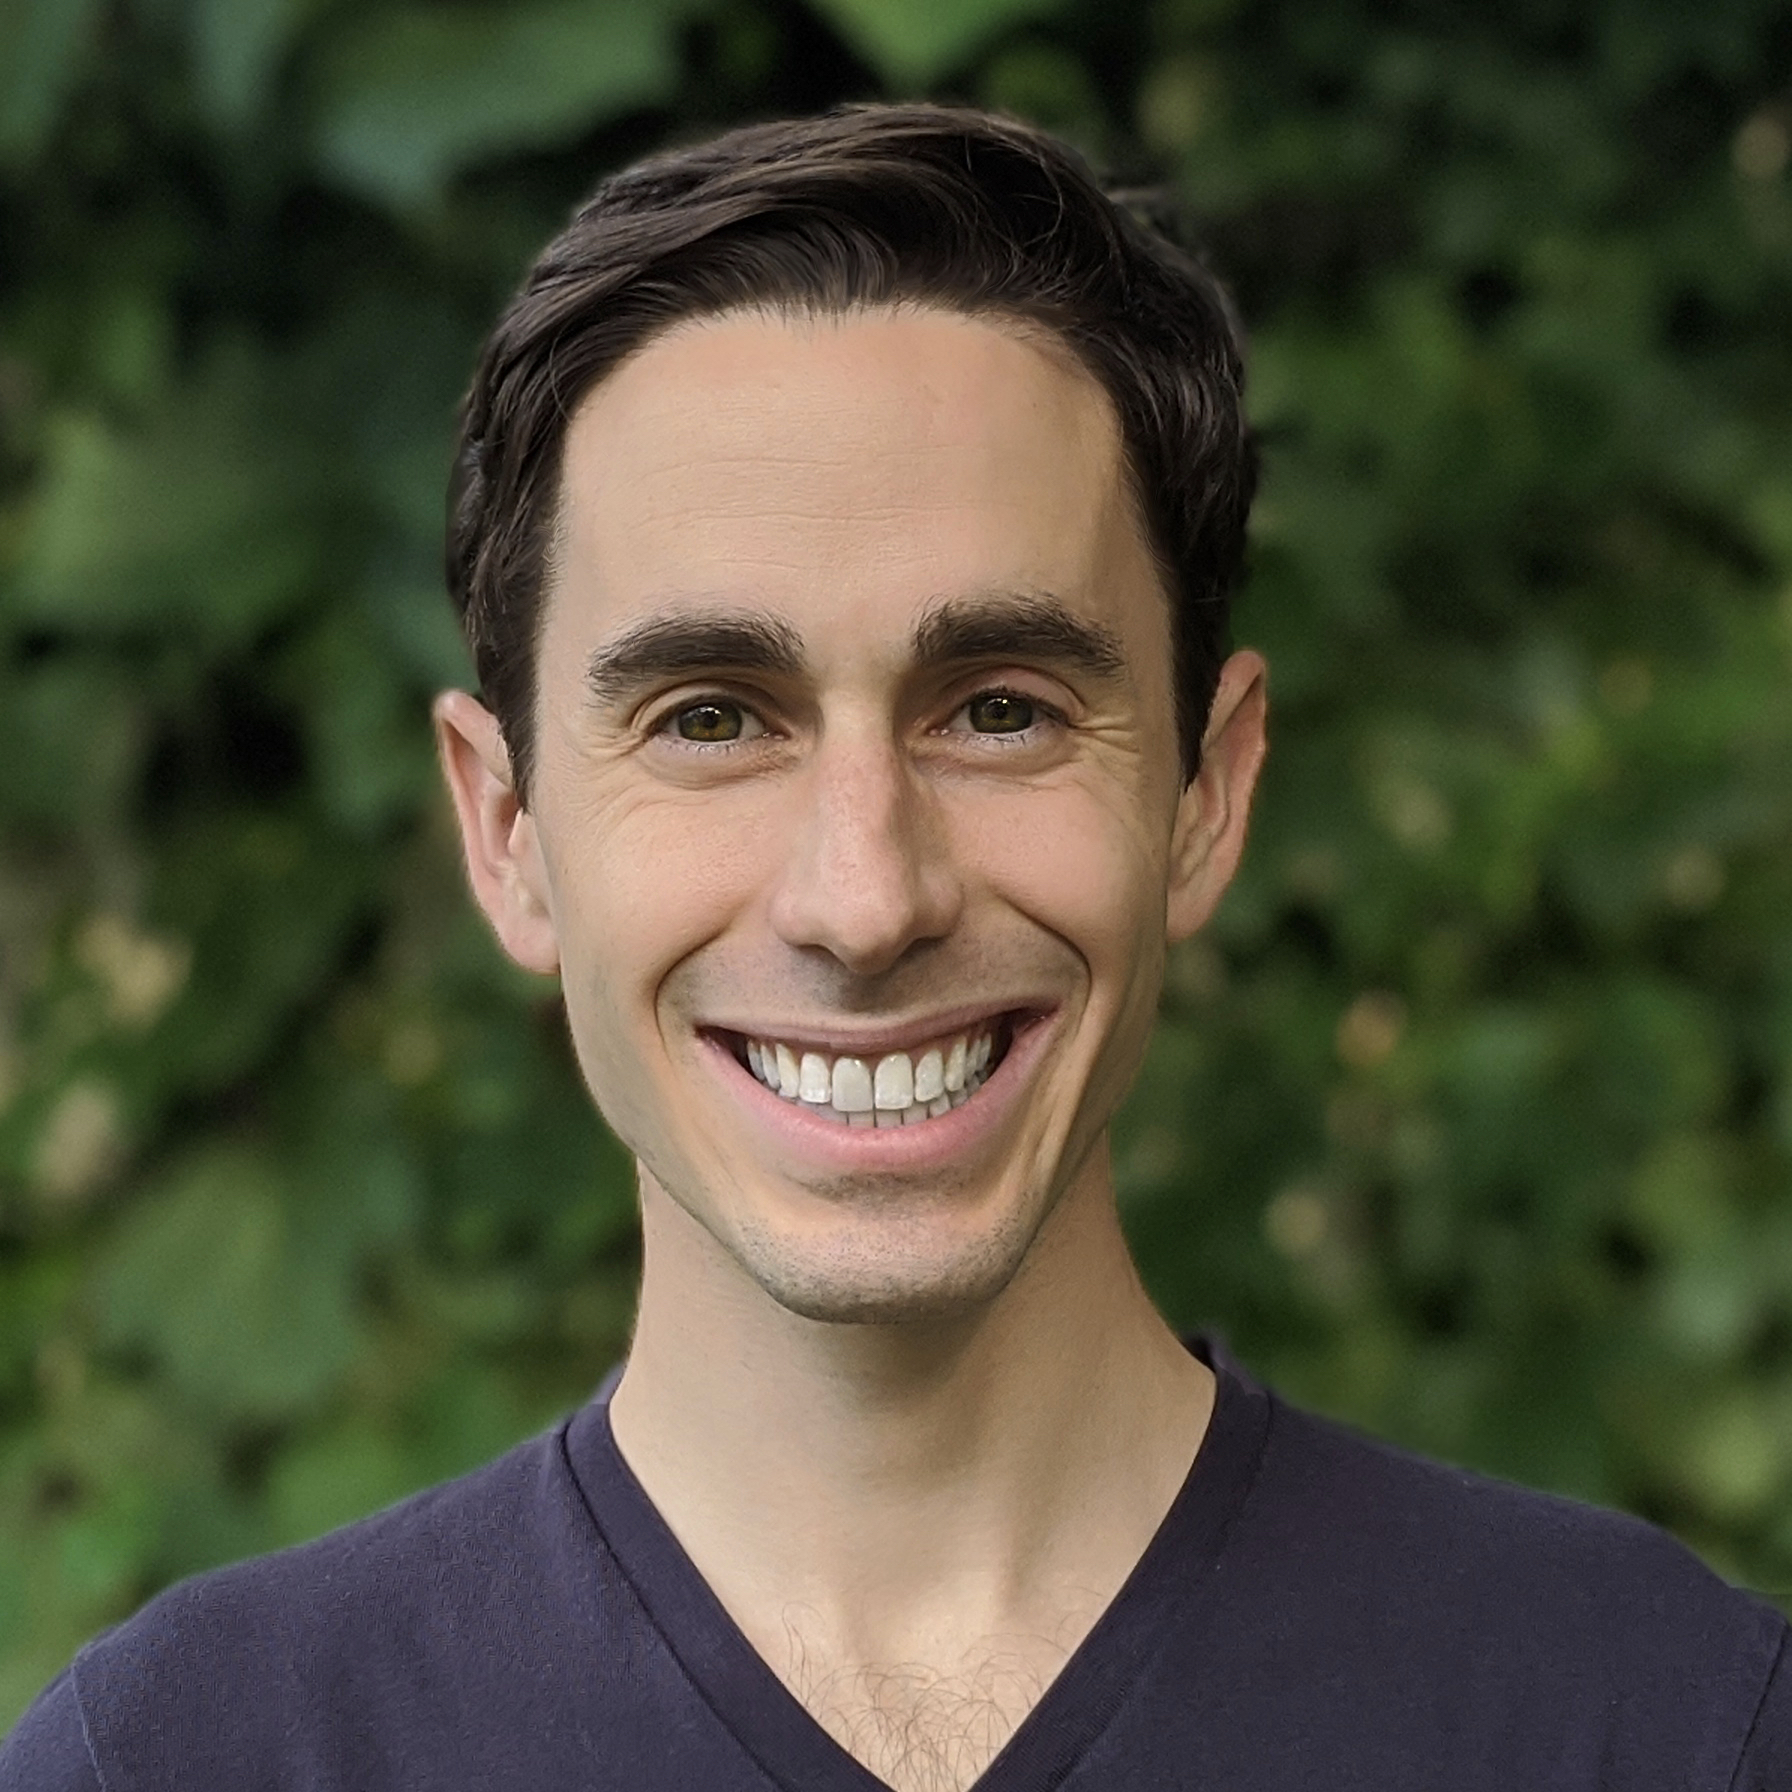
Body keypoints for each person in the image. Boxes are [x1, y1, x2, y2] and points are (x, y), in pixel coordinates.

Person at [2, 102, 1785, 1792]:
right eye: (711, 719)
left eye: (1000, 709)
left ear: (1207, 793)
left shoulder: (1668, 1735)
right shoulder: (185, 1763)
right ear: (507, 832)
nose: (864, 901)